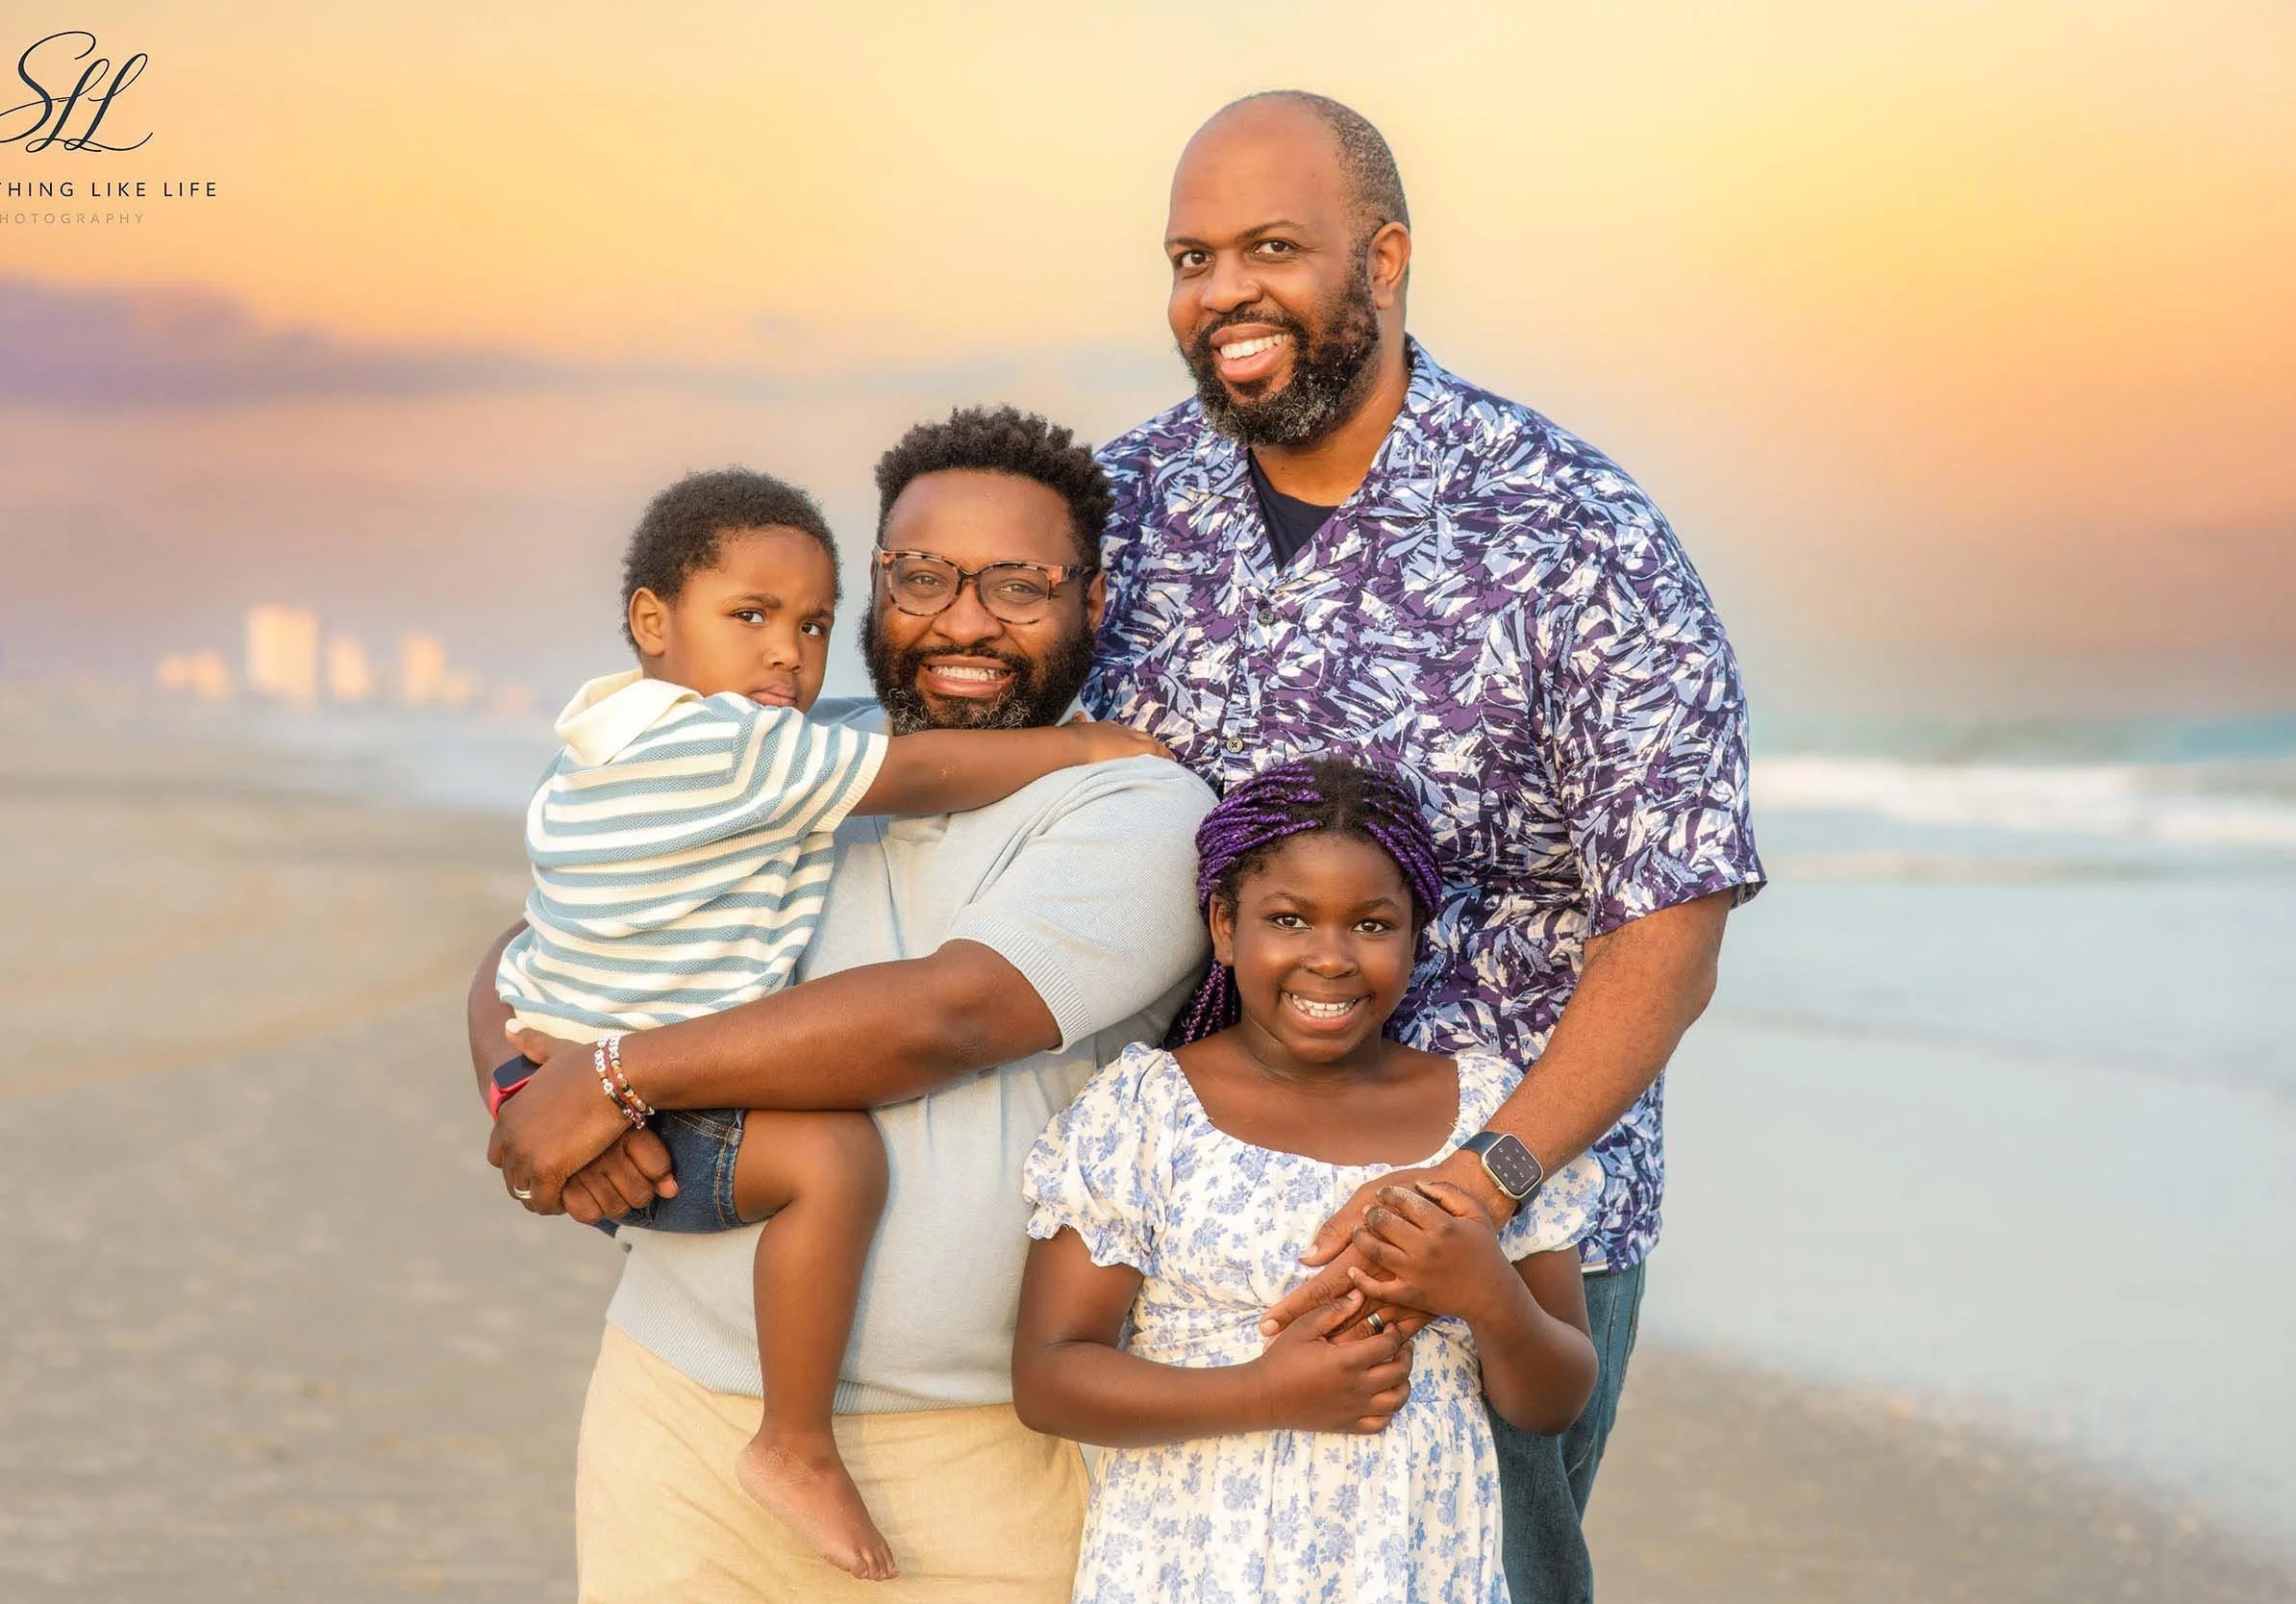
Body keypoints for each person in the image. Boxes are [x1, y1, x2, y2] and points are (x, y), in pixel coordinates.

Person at [1088, 91, 1766, 1601]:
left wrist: (1482, 1185)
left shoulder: (1576, 532)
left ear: (1385, 262)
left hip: (1497, 1247)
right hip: (1177, 1220)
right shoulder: (1121, 511)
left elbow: (1672, 917)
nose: (1224, 292)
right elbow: (955, 760)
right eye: (1192, 259)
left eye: (1273, 248)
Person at [471, 407, 1217, 1603]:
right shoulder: (782, 752)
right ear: (880, 584)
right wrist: (525, 1088)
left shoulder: (1136, 804)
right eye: (923, 577)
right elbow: (540, 935)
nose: (963, 620)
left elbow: (943, 1019)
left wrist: (611, 1077)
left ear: (1089, 600)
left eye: (1018, 585)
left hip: (975, 1464)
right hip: (672, 1418)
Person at [1013, 758, 1610, 1602]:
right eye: (1288, 919)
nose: (1330, 958)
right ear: (1225, 927)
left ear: (1417, 934)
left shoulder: (1487, 1115)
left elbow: (1554, 1402)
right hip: (1191, 1565)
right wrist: (1259, 1393)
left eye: (1372, 925)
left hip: (1413, 1568)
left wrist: (1488, 1295)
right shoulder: (1145, 1111)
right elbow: (1050, 1379)